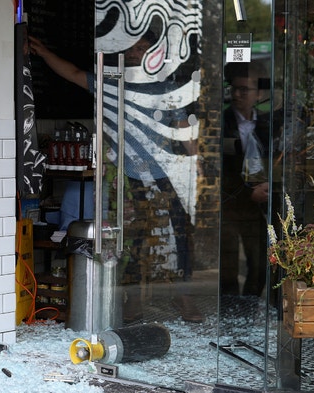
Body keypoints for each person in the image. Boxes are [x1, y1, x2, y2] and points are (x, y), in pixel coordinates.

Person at [29, 33, 202, 323]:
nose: (136, 53)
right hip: (126, 175)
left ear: (153, 55)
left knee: (180, 234)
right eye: (132, 48)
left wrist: (197, 163)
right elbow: (72, 73)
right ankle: (131, 300)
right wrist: (44, 53)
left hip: (162, 173)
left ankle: (182, 295)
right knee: (132, 239)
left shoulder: (166, 88)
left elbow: (184, 128)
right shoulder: (112, 84)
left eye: (142, 48)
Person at [220, 61, 271, 299]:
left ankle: (248, 307)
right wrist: (246, 191)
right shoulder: (222, 122)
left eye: (245, 89)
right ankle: (229, 312)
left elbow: (276, 158)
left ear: (259, 94)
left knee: (259, 261)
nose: (238, 94)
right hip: (230, 202)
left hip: (258, 204)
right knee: (228, 263)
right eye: (235, 89)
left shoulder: (267, 123)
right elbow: (217, 168)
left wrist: (269, 185)